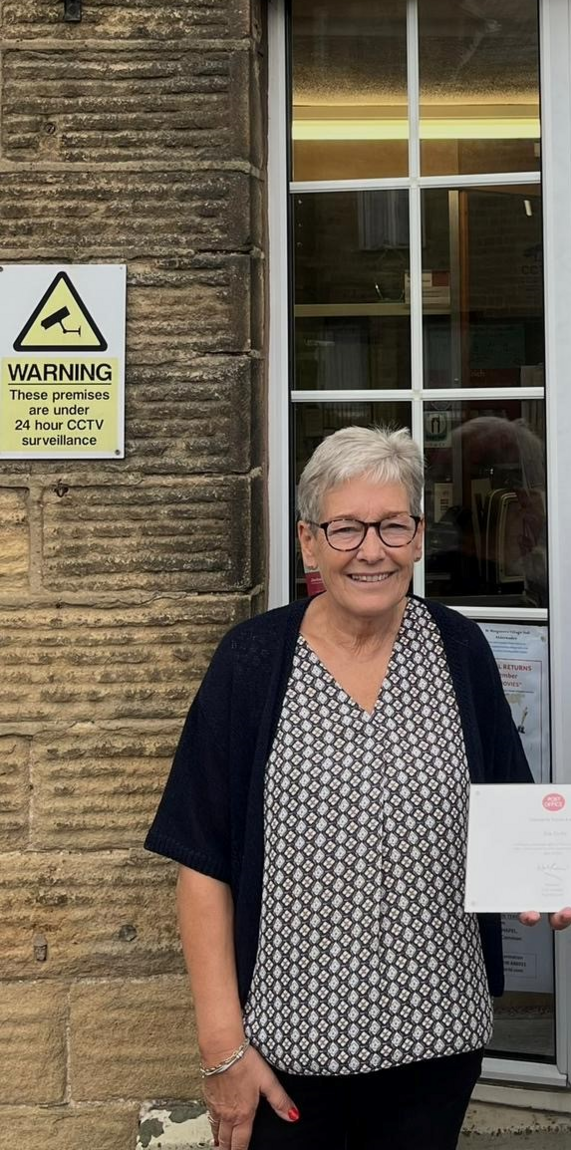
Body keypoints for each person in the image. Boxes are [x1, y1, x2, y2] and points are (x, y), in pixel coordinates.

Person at [146, 425, 532, 1150]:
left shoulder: (458, 650)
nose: (370, 550)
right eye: (346, 528)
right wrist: (223, 1047)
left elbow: (511, 812)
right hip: (286, 1058)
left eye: (392, 525)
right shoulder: (253, 662)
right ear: (308, 542)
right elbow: (201, 860)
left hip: (438, 1045)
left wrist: (551, 878)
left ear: (418, 537)